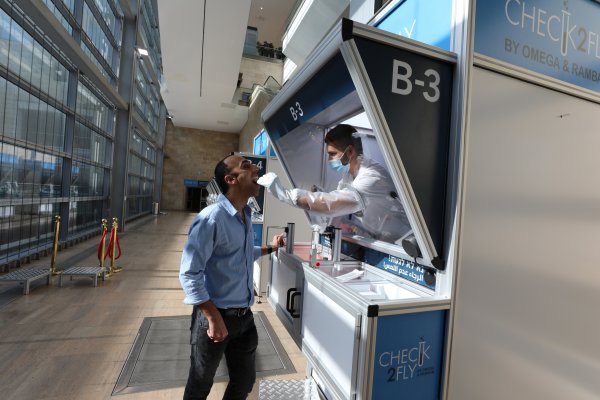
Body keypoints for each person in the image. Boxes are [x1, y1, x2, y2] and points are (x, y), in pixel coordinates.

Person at [180, 154, 285, 400]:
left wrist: (270, 248)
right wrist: (213, 316)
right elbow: (189, 273)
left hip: (244, 319)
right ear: (231, 179)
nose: (257, 168)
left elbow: (242, 253)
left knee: (244, 382)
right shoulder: (211, 218)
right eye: (246, 166)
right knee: (200, 384)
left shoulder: (244, 214)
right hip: (216, 318)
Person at [258, 124, 411, 243]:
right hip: (380, 239)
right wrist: (322, 223)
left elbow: (331, 204)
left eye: (332, 154)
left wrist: (284, 194)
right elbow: (337, 205)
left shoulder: (370, 177)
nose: (330, 160)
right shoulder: (350, 175)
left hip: (399, 243)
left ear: (350, 152)